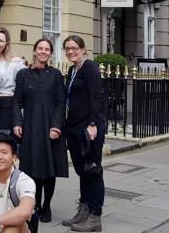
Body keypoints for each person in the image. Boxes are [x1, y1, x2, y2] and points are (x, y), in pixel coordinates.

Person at [12, 38, 67, 224]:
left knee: (49, 170)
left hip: (51, 126)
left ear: (50, 53)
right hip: (31, 126)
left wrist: (56, 126)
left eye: (47, 49)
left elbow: (61, 102)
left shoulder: (56, 75)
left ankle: (47, 205)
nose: (43, 52)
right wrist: (17, 122)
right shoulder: (22, 75)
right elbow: (17, 100)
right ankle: (33, 204)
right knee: (32, 169)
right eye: (40, 48)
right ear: (34, 51)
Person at [62, 35, 106, 232]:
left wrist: (93, 123)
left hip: (88, 127)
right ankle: (84, 211)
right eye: (67, 49)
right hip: (74, 126)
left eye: (74, 48)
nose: (71, 51)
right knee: (82, 171)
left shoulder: (89, 67)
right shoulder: (73, 69)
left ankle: (95, 216)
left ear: (83, 49)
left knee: (93, 169)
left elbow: (97, 95)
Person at [0, 28, 27, 132]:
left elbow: (25, 86)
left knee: (2, 139)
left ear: (6, 43)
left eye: (1, 41)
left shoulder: (15, 62)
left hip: (6, 105)